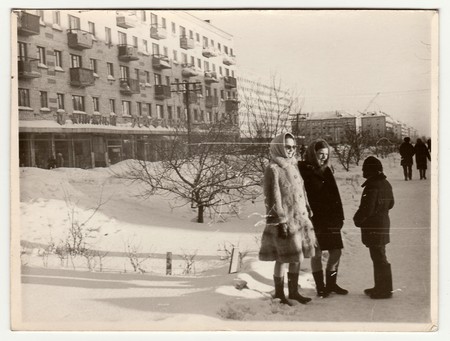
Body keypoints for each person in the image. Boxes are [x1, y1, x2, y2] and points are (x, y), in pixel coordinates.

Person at [259, 132, 316, 305]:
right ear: (278, 147)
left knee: (297, 256)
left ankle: (293, 292)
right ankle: (279, 293)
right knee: (282, 258)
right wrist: (279, 220)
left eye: (293, 147)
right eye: (287, 147)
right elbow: (271, 198)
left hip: (299, 220)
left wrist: (307, 206)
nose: (291, 150)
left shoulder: (293, 165)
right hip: (283, 222)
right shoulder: (273, 169)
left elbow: (301, 190)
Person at [298, 139, 348, 298]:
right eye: (320, 154)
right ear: (313, 153)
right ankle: (320, 287)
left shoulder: (327, 170)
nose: (323, 158)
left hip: (331, 217)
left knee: (336, 252)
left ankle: (331, 285)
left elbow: (335, 194)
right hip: (314, 218)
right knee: (317, 253)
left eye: (326, 155)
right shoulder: (303, 170)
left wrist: (340, 216)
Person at [353, 156, 394, 299]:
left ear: (369, 170)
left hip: (374, 227)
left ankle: (383, 290)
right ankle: (381, 287)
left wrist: (357, 219)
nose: (363, 171)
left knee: (378, 258)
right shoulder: (385, 183)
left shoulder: (372, 186)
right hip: (383, 224)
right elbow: (391, 203)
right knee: (380, 256)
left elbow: (367, 209)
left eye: (365, 168)